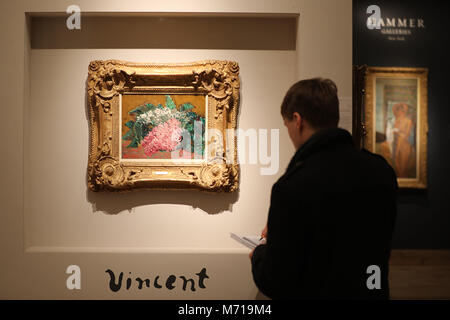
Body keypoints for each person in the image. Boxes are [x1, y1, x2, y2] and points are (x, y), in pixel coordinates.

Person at [250, 78, 398, 299]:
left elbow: (276, 280)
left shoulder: (292, 186)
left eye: (287, 125)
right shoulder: (381, 171)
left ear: (297, 120)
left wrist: (261, 253)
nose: (289, 133)